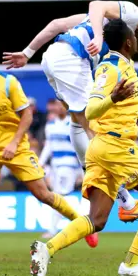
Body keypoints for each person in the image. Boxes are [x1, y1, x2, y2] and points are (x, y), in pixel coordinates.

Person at [2, 0, 138, 223]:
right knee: (97, 124)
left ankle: (95, 174)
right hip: (71, 61)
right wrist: (98, 37)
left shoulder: (105, 21)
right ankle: (125, 200)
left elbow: (57, 24)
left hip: (53, 58)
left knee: (79, 122)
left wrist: (27, 53)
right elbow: (97, 4)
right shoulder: (132, 13)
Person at [30, 19, 138, 276]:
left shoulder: (122, 66)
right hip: (115, 145)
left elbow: (118, 107)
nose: (137, 39)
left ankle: (46, 249)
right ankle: (131, 262)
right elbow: (92, 109)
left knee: (97, 219)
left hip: (103, 147)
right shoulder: (111, 67)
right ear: (129, 41)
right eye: (134, 36)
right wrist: (113, 98)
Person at [0, 41, 98, 265]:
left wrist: (13, 143)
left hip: (18, 148)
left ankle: (83, 224)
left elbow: (27, 115)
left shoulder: (7, 82)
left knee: (43, 194)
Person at [39, 99, 83, 239]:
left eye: (61, 105)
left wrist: (82, 169)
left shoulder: (73, 124)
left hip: (69, 165)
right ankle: (77, 225)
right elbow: (48, 146)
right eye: (57, 105)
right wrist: (40, 163)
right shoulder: (50, 125)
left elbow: (79, 147)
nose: (59, 108)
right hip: (55, 166)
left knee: (60, 196)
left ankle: (62, 228)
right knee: (59, 197)